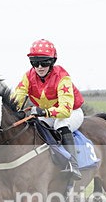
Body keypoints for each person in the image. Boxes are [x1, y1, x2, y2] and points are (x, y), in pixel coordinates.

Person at [12, 39, 84, 180]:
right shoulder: (28, 76)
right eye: (34, 62)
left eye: (44, 62)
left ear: (52, 62)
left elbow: (65, 110)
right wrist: (14, 110)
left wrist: (44, 112)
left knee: (60, 124)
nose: (39, 67)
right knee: (37, 127)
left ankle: (73, 165)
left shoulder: (63, 78)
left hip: (71, 112)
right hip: (48, 113)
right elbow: (16, 98)